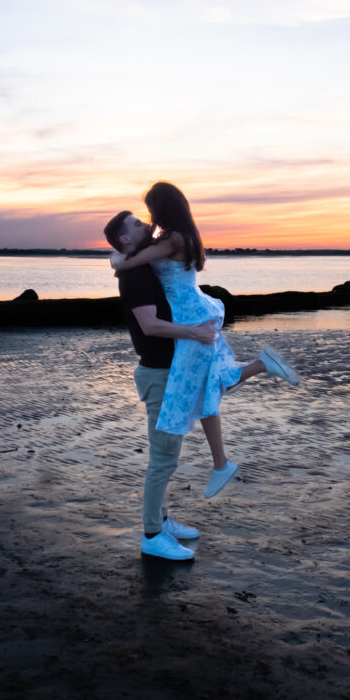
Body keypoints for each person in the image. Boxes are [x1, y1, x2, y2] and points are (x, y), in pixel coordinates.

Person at [109, 182, 299, 505]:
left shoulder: (172, 239)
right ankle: (221, 461)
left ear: (162, 209)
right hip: (195, 310)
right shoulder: (181, 234)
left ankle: (220, 462)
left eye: (151, 211)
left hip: (189, 317)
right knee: (213, 383)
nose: (149, 218)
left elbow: (129, 263)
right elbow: (146, 251)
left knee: (205, 386)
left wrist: (117, 258)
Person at [104, 209, 216, 560]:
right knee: (163, 457)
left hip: (167, 371)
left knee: (167, 453)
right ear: (125, 239)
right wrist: (194, 333)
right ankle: (152, 535)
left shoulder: (141, 264)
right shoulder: (135, 276)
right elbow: (150, 326)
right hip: (159, 374)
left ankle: (162, 519)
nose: (145, 224)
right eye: (136, 224)